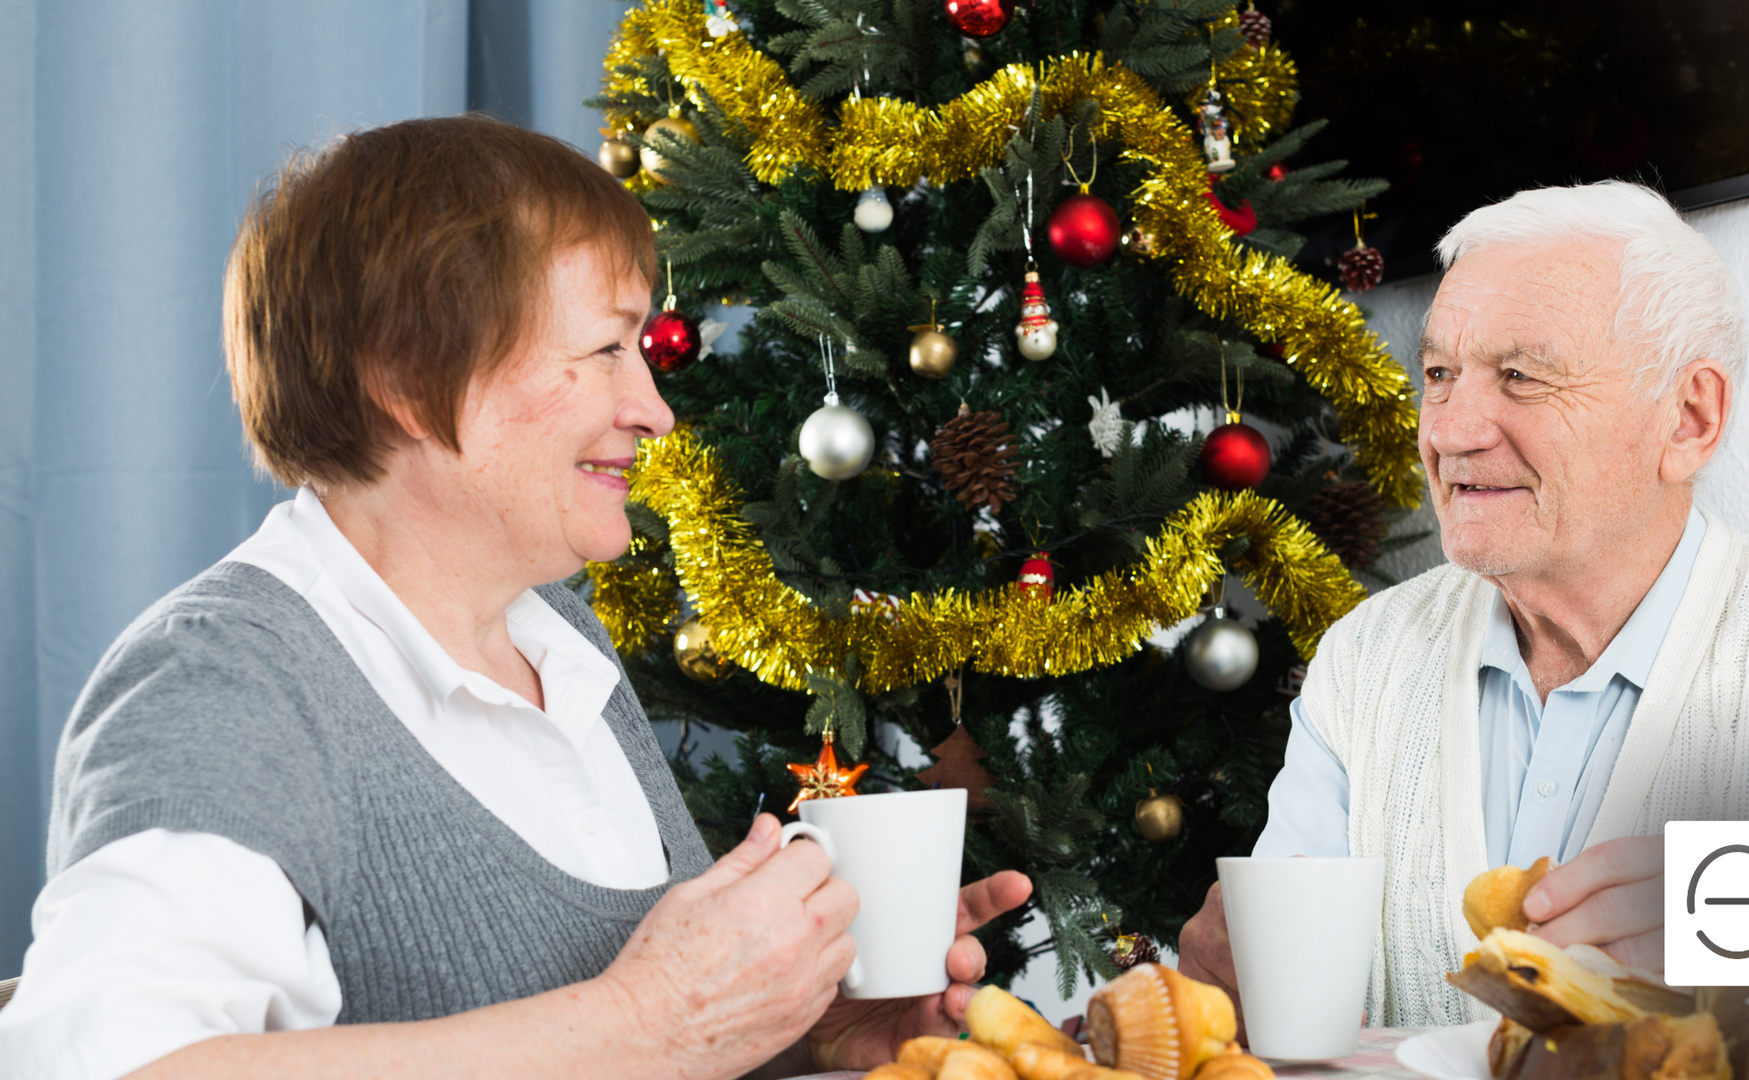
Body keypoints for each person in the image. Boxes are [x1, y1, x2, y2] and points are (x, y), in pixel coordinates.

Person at [0, 115, 1030, 1079]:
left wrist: (793, 1032)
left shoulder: (559, 645)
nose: (656, 412)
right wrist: (653, 1022)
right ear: (407, 378)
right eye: (604, 351)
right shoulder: (227, 685)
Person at [1179, 181, 1749, 1033]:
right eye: (1441, 374)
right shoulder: (1365, 662)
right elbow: (1290, 1017)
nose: (1450, 431)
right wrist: (1228, 1000)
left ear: (1688, 418)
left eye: (1522, 377)